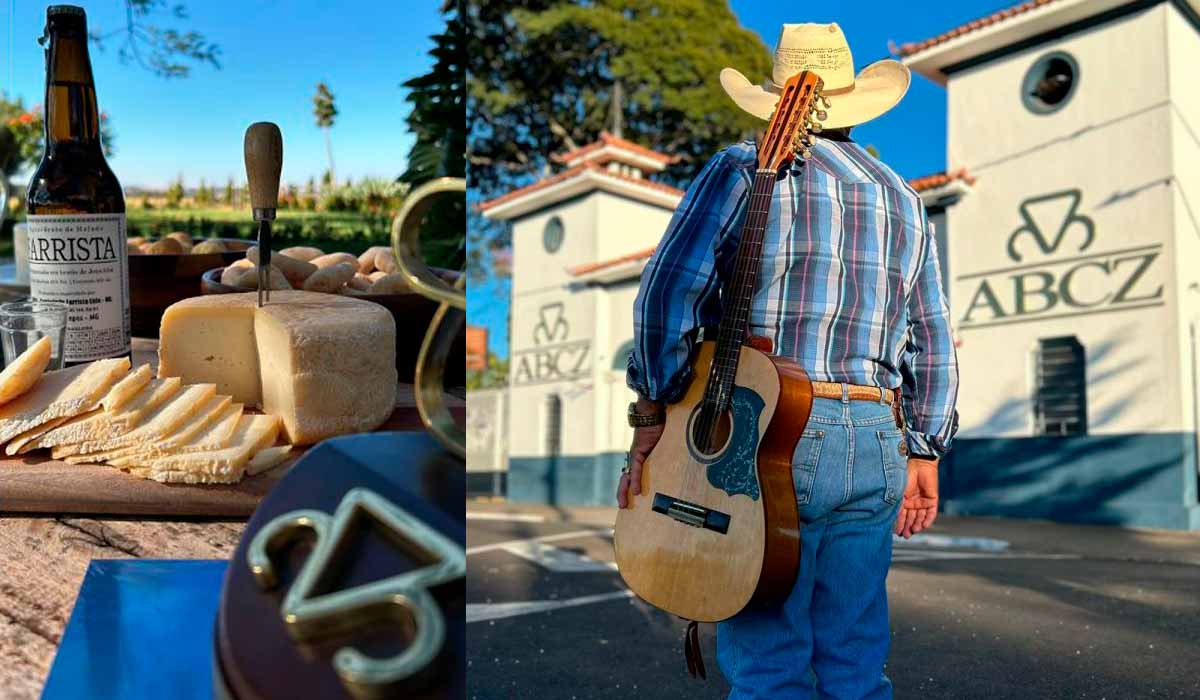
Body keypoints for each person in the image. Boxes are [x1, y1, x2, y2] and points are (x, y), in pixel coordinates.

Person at [617, 22, 960, 699]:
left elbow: (666, 297)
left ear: (778, 99)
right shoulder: (904, 197)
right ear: (854, 102)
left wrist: (652, 408)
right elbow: (933, 335)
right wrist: (925, 451)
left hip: (770, 429)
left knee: (770, 660)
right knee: (857, 657)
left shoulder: (743, 167)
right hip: (876, 437)